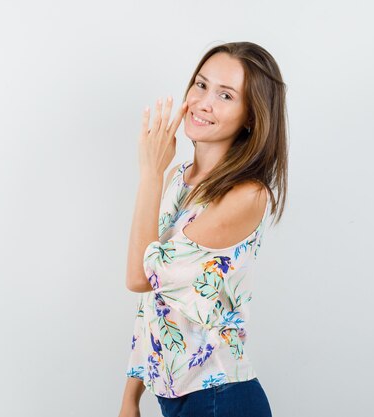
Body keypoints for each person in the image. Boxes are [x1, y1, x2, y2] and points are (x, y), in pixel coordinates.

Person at [118, 42, 288, 417]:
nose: (203, 102)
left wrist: (149, 174)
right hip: (174, 397)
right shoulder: (181, 179)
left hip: (220, 398)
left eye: (225, 95)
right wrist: (131, 396)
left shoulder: (246, 194)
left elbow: (141, 277)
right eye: (200, 85)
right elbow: (155, 302)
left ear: (250, 116)